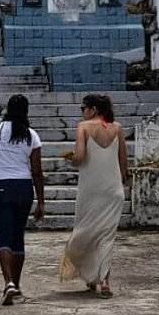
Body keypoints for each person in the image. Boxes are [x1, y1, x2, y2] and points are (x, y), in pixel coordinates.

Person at [59, 94, 128, 298]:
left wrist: (69, 159)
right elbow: (123, 161)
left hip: (91, 191)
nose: (82, 113)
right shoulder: (117, 128)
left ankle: (94, 276)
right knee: (106, 236)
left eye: (83, 108)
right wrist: (123, 181)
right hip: (113, 190)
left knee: (85, 231)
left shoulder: (84, 128)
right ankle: (102, 280)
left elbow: (79, 157)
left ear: (93, 109)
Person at [0, 94, 45, 305]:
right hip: (23, 188)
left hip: (0, 186)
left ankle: (8, 282)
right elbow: (37, 171)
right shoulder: (31, 135)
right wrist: (41, 201)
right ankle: (16, 285)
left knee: (3, 236)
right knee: (18, 237)